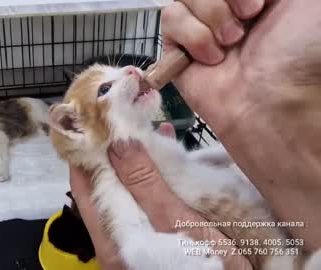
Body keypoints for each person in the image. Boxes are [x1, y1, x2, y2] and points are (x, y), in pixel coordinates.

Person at [69, 0, 321, 269]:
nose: (131, 70)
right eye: (105, 88)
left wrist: (239, 137)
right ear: (76, 129)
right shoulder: (109, 180)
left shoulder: (147, 146)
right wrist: (187, 254)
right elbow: (135, 246)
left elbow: (188, 167)